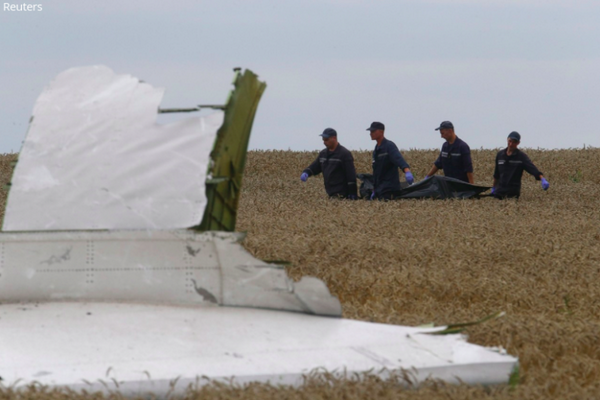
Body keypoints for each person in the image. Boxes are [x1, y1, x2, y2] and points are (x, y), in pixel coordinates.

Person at [300, 128, 358, 199]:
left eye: (326, 140)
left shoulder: (344, 154)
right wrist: (306, 172)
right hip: (330, 192)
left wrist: (352, 192)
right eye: (323, 140)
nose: (324, 142)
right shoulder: (323, 154)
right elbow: (315, 167)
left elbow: (351, 175)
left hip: (343, 194)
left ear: (334, 138)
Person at [492, 131, 549, 198]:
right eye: (510, 141)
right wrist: (494, 188)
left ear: (518, 143)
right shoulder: (500, 155)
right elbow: (496, 175)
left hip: (512, 193)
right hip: (499, 192)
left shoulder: (521, 157)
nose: (511, 144)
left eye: (514, 142)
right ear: (507, 139)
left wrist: (542, 179)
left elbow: (532, 169)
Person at [367, 121, 413, 200]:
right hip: (379, 189)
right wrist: (375, 189)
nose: (371, 133)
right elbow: (376, 172)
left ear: (381, 132)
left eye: (373, 131)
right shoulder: (376, 149)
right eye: (370, 131)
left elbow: (399, 159)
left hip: (389, 189)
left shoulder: (389, 146)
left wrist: (407, 172)